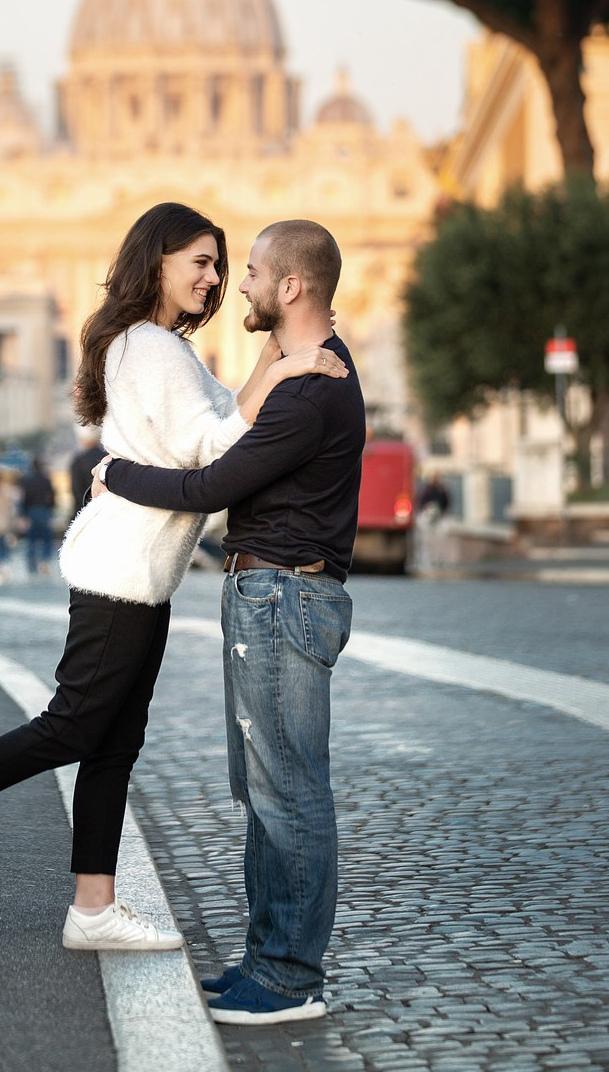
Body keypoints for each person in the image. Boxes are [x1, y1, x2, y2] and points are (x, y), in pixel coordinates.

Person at [0, 201, 345, 952]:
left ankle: (93, 909)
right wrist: (286, 367)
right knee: (75, 724)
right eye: (202, 263)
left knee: (115, 739)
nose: (216, 281)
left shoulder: (160, 348)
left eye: (222, 267)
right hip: (122, 567)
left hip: (141, 572)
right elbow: (216, 448)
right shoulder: (151, 348)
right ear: (157, 261)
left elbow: (221, 412)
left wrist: (277, 364)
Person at [92, 218, 365, 1025]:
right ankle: (264, 960)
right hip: (271, 594)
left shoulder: (313, 391)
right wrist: (272, 364)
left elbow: (211, 482)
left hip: (283, 595)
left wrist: (116, 474)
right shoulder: (303, 375)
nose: (234, 285)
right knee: (266, 788)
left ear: (290, 287)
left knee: (289, 793)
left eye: (247, 272)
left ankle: (286, 979)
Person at [19, 455, 56, 577]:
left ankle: (32, 566)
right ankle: (44, 560)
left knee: (31, 540)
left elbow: (24, 498)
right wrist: (50, 508)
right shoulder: (46, 479)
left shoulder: (27, 480)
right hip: (44, 510)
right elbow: (52, 495)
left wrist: (24, 514)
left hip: (31, 511)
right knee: (46, 539)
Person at [67, 426, 106, 522]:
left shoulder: (78, 461)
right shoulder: (108, 458)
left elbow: (76, 491)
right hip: (107, 512)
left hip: (85, 512)